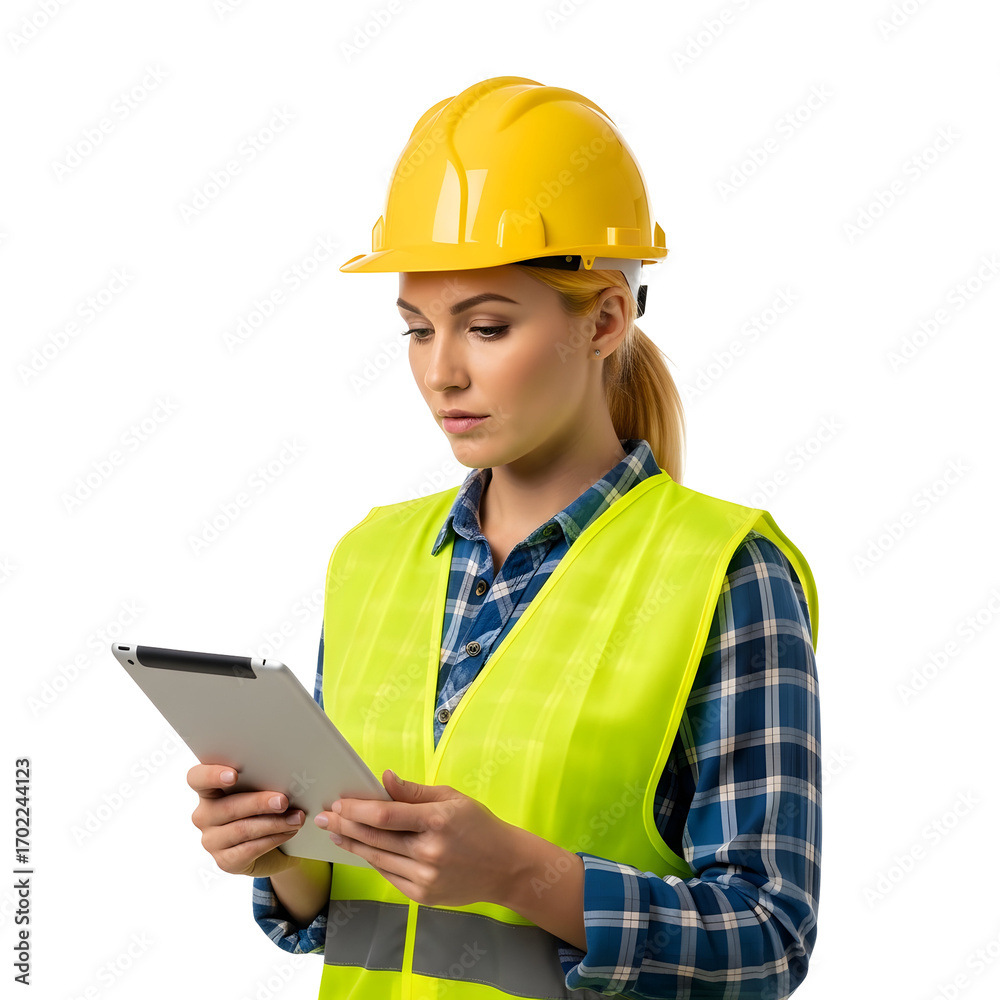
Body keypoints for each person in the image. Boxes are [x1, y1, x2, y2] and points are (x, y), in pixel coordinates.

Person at [188, 76, 821, 999]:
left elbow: (768, 940)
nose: (441, 372)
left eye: (486, 327)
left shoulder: (722, 572)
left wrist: (524, 875)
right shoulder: (370, 559)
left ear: (605, 320)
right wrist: (280, 853)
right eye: (416, 330)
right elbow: (348, 914)